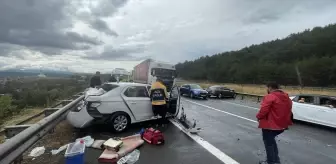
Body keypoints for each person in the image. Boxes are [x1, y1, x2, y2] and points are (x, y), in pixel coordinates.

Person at [257, 82, 293, 164]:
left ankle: (271, 162)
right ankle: (276, 160)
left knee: (269, 144)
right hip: (282, 125)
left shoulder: (270, 96)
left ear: (270, 88)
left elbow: (264, 110)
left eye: (267, 88)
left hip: (270, 125)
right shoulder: (287, 97)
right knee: (272, 142)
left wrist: (258, 117)